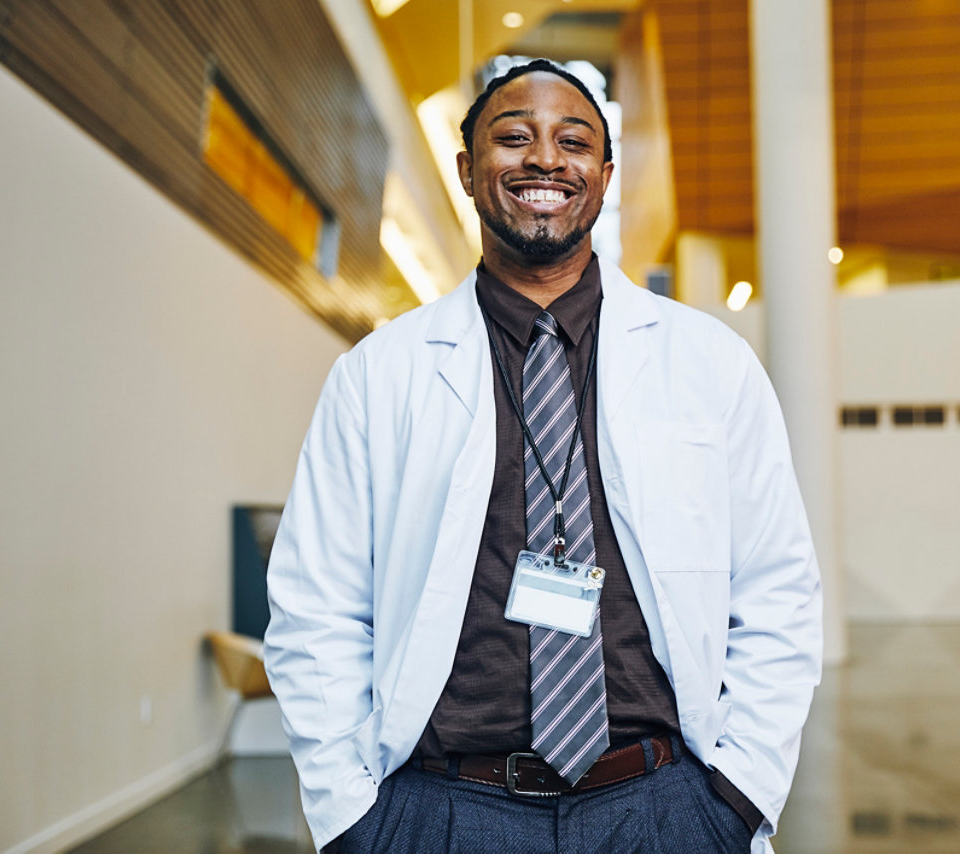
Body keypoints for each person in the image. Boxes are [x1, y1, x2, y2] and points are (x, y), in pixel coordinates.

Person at [264, 59, 822, 854]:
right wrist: (356, 821)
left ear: (603, 173)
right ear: (466, 169)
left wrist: (734, 800)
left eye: (574, 141)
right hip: (443, 810)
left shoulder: (710, 363)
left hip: (664, 806)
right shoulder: (377, 374)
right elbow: (315, 602)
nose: (545, 161)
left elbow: (778, 591)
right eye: (513, 137)